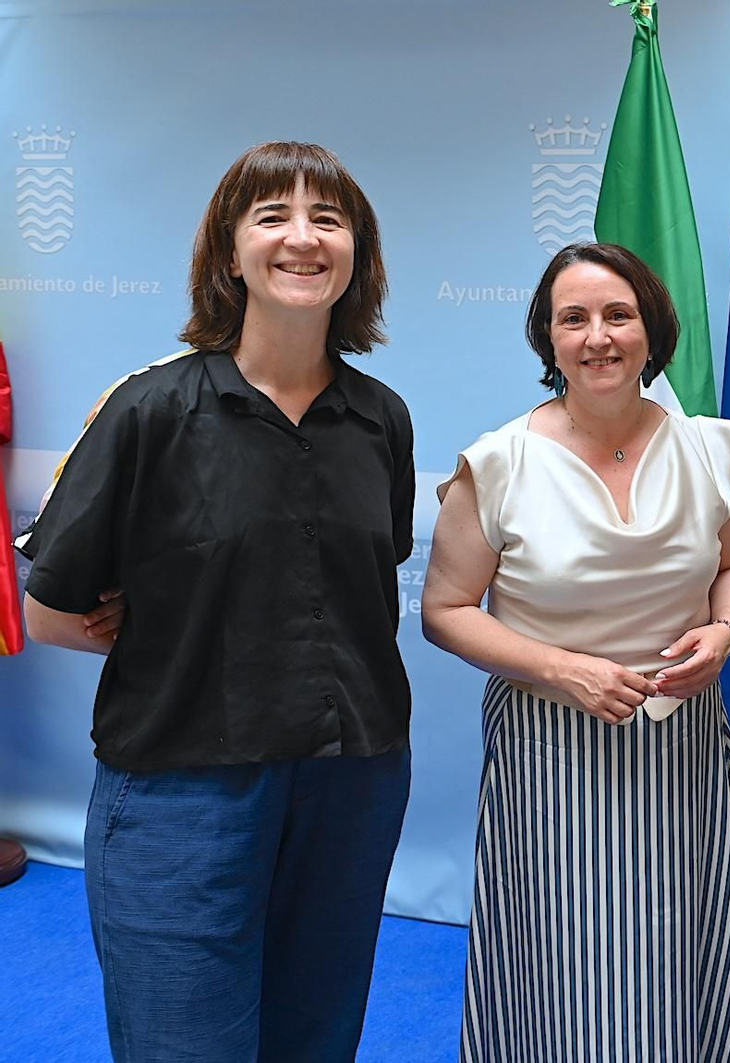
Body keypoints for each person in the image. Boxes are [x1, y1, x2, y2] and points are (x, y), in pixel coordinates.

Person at [15, 142, 414, 1062]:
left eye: (329, 218)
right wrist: (155, 623)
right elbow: (49, 605)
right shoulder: (149, 409)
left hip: (350, 784)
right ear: (229, 255)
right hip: (182, 790)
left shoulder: (381, 417)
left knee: (315, 1041)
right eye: (272, 217)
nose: (303, 238)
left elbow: (352, 585)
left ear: (358, 253)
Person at [421, 242, 730, 1063]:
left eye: (618, 315)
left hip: (681, 745)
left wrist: (722, 633)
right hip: (550, 753)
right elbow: (444, 610)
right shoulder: (498, 462)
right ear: (549, 337)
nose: (598, 336)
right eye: (574, 318)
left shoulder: (708, 448)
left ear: (652, 331)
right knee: (566, 966)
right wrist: (559, 667)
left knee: (686, 952)